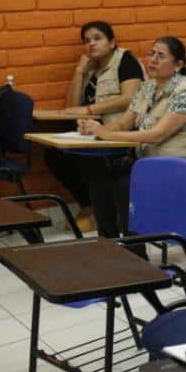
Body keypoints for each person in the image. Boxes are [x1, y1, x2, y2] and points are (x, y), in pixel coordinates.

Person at [78, 37, 186, 240]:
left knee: (124, 185)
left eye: (161, 56)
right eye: (151, 54)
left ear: (178, 65)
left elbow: (157, 135)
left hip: (180, 165)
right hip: (147, 162)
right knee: (98, 175)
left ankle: (136, 250)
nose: (153, 60)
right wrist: (94, 129)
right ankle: (109, 243)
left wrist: (106, 134)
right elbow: (123, 124)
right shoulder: (147, 88)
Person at [45, 21, 143, 232]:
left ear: (112, 42)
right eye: (87, 40)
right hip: (91, 132)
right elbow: (72, 106)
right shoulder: (91, 68)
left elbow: (130, 98)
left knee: (89, 160)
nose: (91, 44)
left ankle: (101, 214)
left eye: (97, 38)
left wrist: (89, 110)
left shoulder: (125, 60)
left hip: (119, 131)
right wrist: (80, 70)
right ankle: (90, 206)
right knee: (55, 155)